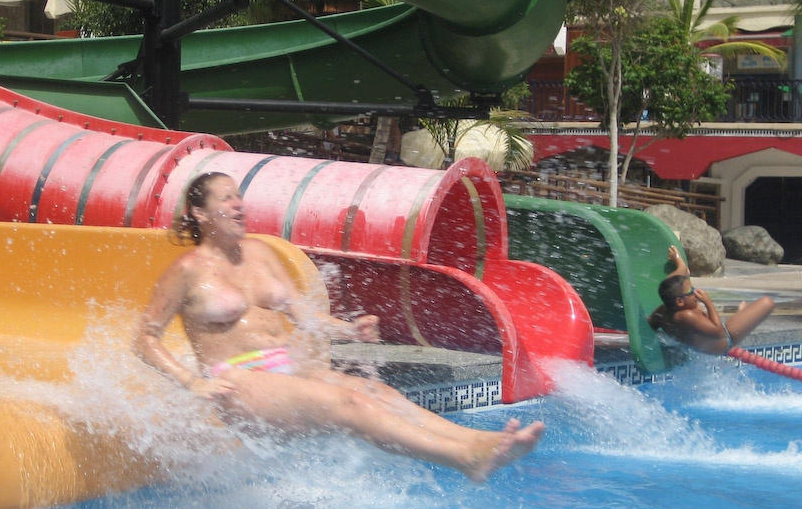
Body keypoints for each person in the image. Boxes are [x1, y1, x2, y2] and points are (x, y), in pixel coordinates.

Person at [133, 172, 545, 481]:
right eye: (226, 198)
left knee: (376, 392)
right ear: (200, 212)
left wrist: (348, 331)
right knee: (350, 405)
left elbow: (303, 315)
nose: (239, 204)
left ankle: (478, 441)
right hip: (240, 382)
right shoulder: (187, 270)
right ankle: (465, 459)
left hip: (290, 369)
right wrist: (191, 382)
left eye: (239, 195)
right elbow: (145, 339)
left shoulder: (259, 251)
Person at [648, 245, 775, 355]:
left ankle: (682, 268)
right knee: (767, 302)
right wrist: (707, 302)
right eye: (691, 291)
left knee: (671, 285)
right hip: (726, 339)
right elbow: (719, 333)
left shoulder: (664, 310)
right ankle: (742, 314)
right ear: (680, 302)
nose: (696, 293)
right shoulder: (687, 315)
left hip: (703, 333)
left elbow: (651, 322)